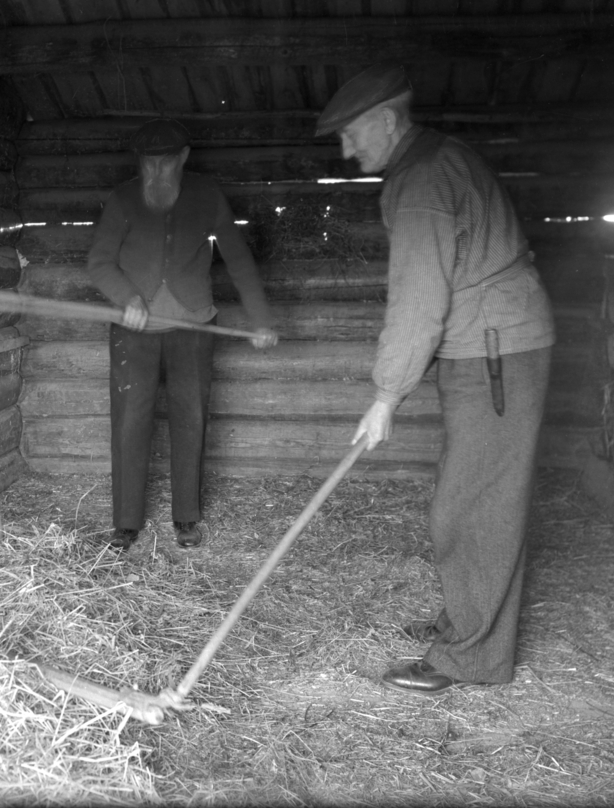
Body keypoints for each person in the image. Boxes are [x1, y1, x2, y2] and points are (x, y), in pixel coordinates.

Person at [314, 65, 556, 694]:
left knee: (473, 504)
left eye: (351, 135)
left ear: (388, 121)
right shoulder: (436, 160)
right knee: (474, 494)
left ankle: (471, 656)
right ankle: (470, 622)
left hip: (495, 350)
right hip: (490, 343)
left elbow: (419, 298)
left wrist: (386, 394)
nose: (345, 151)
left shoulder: (420, 179)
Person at [86, 118, 278, 551]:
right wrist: (128, 298)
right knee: (129, 424)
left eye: (165, 163)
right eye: (148, 164)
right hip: (133, 332)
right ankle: (126, 522)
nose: (156, 173)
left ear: (184, 158)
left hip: (194, 327)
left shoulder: (207, 195)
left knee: (190, 420)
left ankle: (186, 518)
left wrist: (260, 318)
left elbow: (239, 259)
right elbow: (99, 262)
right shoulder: (122, 200)